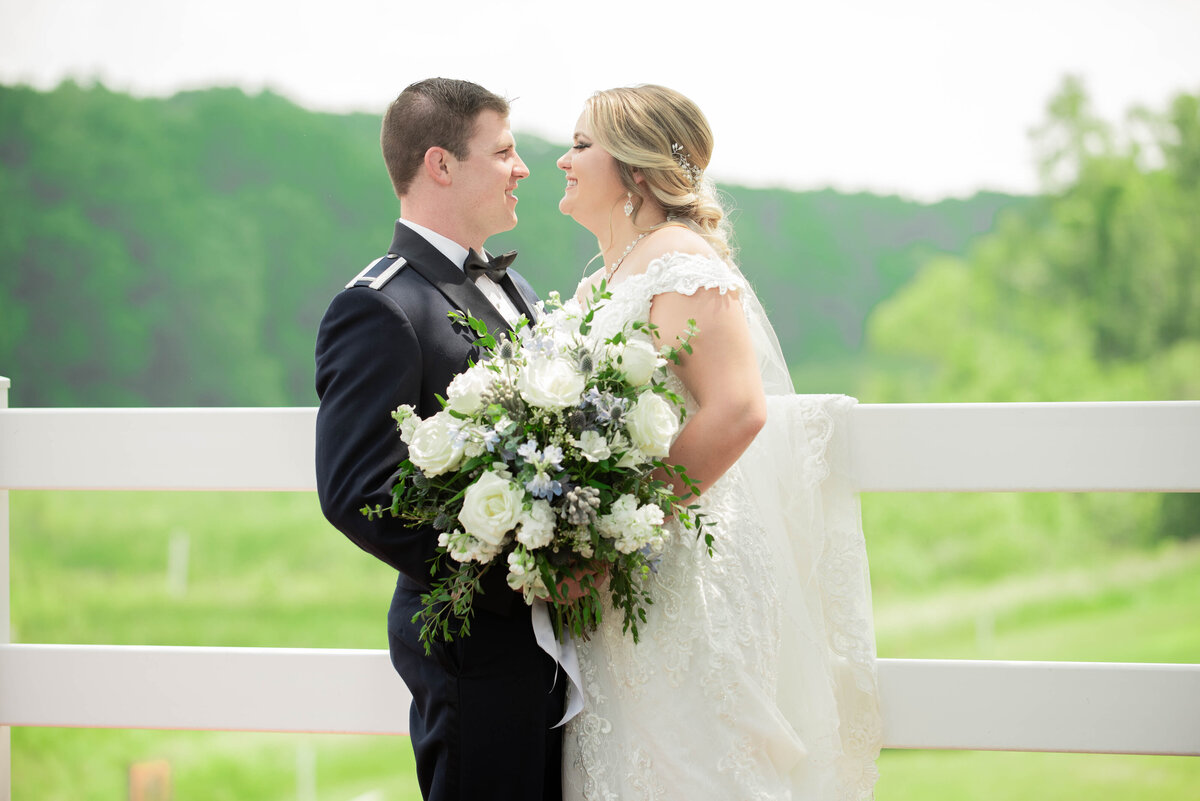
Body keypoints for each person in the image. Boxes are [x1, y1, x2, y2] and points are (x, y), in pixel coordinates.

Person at [555, 85, 882, 799]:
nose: (562, 159)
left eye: (581, 145)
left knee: (693, 760)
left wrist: (619, 535)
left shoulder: (679, 260)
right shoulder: (595, 287)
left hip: (679, 571)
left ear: (635, 170)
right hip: (617, 585)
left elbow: (736, 409)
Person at [314, 78, 564, 801]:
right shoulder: (379, 304)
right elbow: (358, 490)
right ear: (442, 164)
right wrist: (515, 572)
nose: (523, 168)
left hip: (544, 640)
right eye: (506, 151)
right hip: (471, 641)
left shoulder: (509, 287)